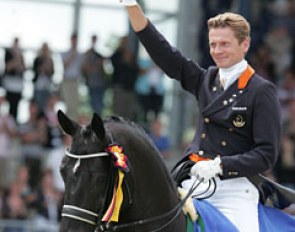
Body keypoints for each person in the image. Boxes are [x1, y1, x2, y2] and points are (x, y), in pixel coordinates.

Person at [120, 1, 293, 231]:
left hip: (233, 189)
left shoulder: (260, 91)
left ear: (245, 44)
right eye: (213, 44)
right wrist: (133, 7)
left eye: (224, 44)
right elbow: (165, 54)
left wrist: (221, 165)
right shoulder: (205, 80)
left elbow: (266, 155)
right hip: (193, 180)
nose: (217, 51)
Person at [82, 35, 105, 115]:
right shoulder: (88, 53)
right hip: (92, 84)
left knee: (99, 106)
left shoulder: (100, 53)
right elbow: (86, 68)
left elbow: (102, 67)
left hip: (100, 83)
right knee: (94, 106)